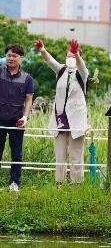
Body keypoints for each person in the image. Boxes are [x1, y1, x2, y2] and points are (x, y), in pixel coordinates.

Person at [35, 39, 89, 184]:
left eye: (73, 56)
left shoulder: (82, 74)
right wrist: (42, 49)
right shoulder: (61, 70)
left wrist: (77, 55)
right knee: (60, 156)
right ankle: (59, 183)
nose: (70, 59)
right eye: (69, 56)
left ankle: (77, 184)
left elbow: (82, 66)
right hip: (59, 120)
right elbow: (49, 60)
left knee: (76, 156)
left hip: (76, 120)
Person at [0, 44, 34, 192]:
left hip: (17, 120)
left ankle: (14, 183)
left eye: (14, 56)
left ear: (21, 58)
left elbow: (29, 99)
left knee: (17, 155)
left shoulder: (27, 78)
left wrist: (25, 117)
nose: (11, 58)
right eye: (9, 55)